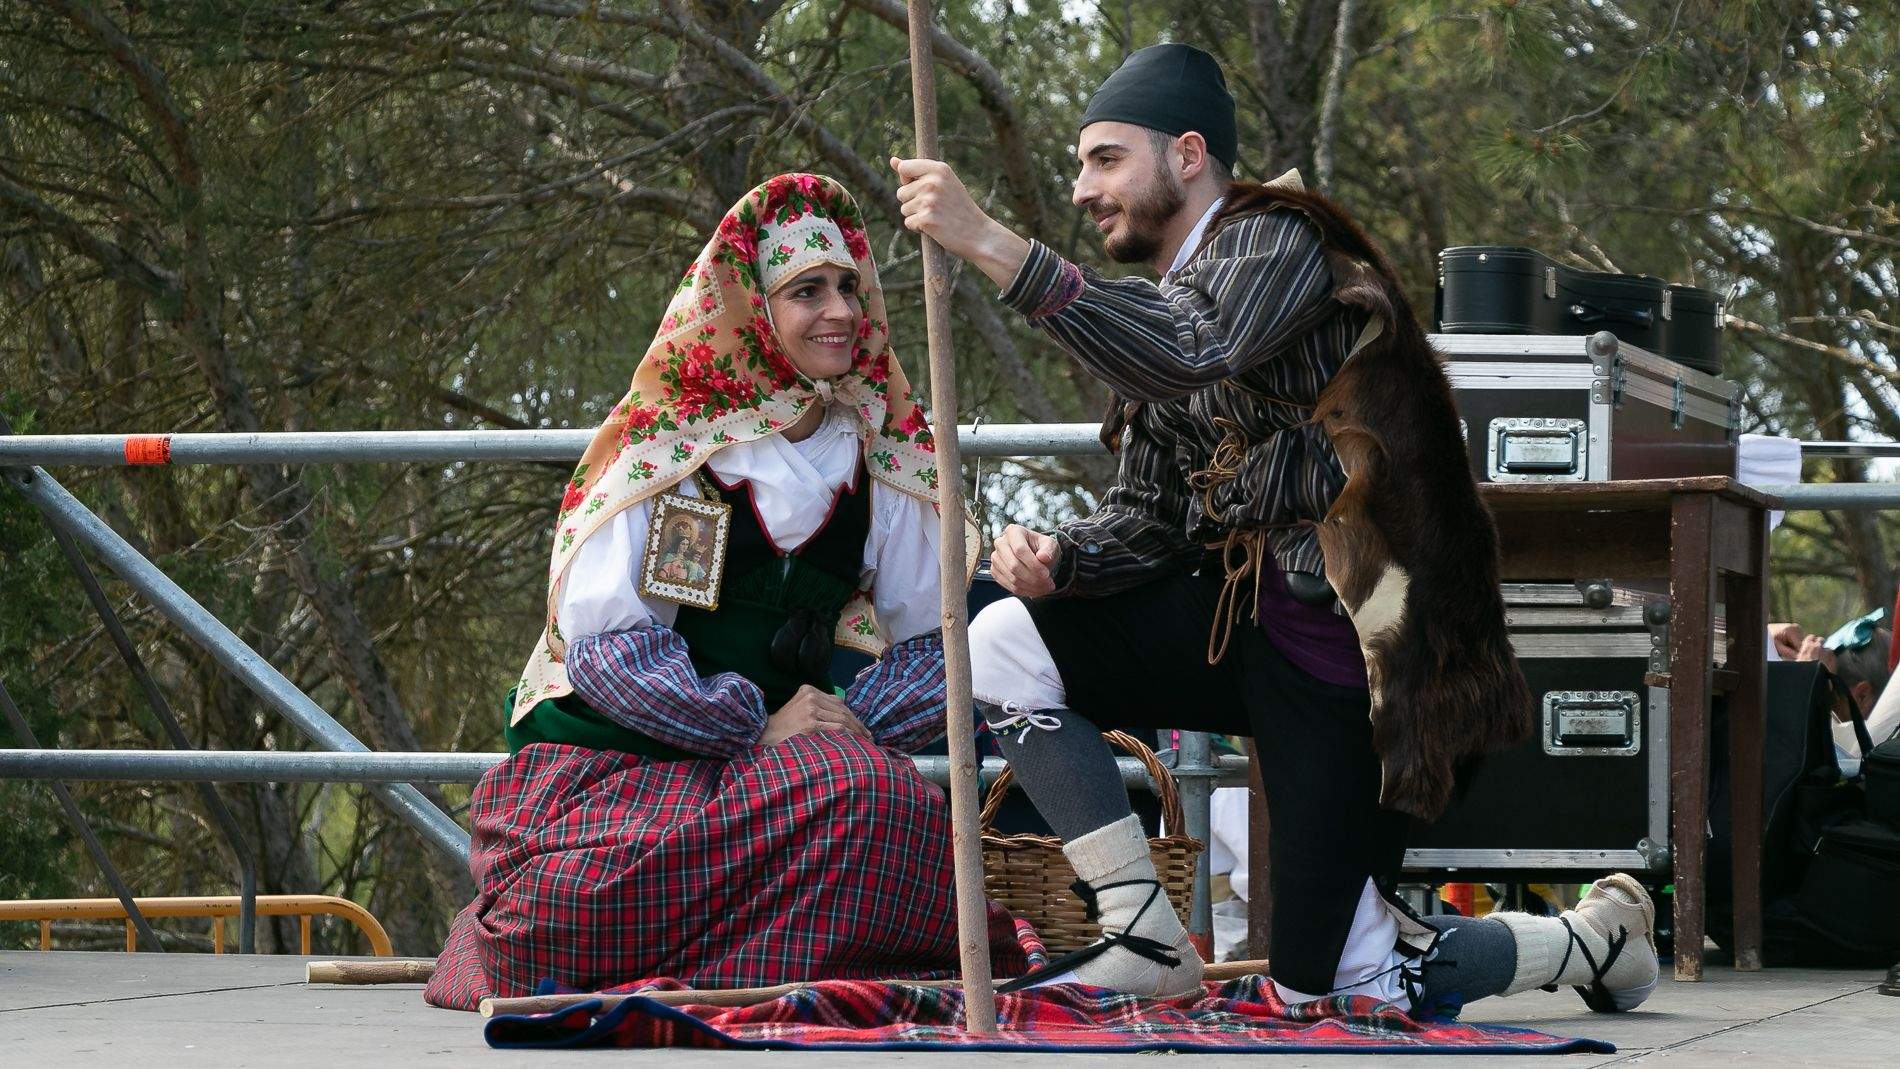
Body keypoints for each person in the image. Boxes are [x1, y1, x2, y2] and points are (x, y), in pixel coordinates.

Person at [892, 43, 1659, 1017]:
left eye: (1103, 159)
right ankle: (1142, 933)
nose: (1081, 188)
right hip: (1237, 622)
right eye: (1079, 164)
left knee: (1329, 991)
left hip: (1354, 649)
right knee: (1000, 637)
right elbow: (1153, 512)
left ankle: (1593, 939)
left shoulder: (1278, 241)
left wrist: (992, 244)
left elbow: (1191, 352)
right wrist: (1062, 557)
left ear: (1186, 156)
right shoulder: (1161, 301)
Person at [425, 173, 1016, 1010]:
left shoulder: (880, 456)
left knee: (881, 804)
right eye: (806, 291)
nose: (840, 311)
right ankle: (757, 958)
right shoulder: (682, 452)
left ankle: (732, 966)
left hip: (783, 783)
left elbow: (936, 643)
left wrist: (856, 719)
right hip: (625, 766)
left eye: (850, 285)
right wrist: (753, 722)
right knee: (562, 910)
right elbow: (612, 651)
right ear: (751, 310)